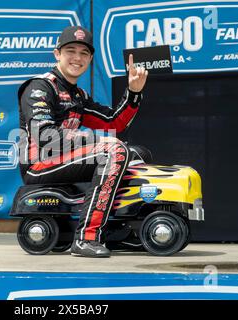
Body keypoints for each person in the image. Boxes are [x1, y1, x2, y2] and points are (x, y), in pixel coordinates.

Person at [17, 26, 148, 258]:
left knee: (137, 153)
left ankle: (117, 229)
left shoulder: (78, 95)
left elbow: (114, 123)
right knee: (113, 151)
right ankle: (87, 237)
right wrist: (90, 139)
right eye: (71, 51)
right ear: (57, 53)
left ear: (90, 59)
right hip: (39, 165)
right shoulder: (39, 87)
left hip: (66, 160)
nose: (77, 58)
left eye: (84, 53)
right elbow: (45, 137)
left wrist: (133, 92)